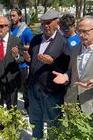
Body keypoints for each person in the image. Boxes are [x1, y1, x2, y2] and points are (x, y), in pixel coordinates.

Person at [23, 10, 70, 139]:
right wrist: (28, 60)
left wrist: (52, 62)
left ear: (57, 23)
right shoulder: (36, 39)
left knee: (53, 123)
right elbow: (33, 63)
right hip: (34, 89)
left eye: (48, 23)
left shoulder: (63, 42)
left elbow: (67, 69)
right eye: (43, 23)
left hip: (51, 91)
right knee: (35, 121)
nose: (45, 26)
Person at [0, 16, 24, 110]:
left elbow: (22, 59)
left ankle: (12, 125)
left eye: (1, 26)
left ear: (8, 27)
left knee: (11, 109)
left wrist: (16, 56)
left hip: (11, 81)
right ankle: (0, 125)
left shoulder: (16, 41)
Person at [10, 7, 33, 112]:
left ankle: (27, 107)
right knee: (13, 87)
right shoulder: (9, 29)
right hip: (11, 62)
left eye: (14, 15)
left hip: (22, 65)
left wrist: (21, 47)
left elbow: (32, 46)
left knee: (24, 88)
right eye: (10, 15)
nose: (11, 17)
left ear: (20, 16)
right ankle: (13, 106)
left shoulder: (26, 31)